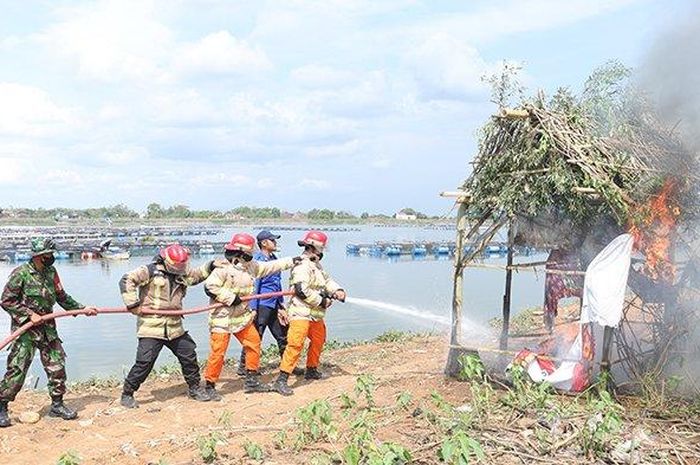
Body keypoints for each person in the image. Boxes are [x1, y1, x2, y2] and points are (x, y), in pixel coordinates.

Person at [0, 238, 98, 427]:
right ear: (38, 256)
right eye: (48, 255)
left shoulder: (51, 272)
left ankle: (57, 405)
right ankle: (2, 406)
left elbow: (62, 297)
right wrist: (30, 314)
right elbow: (6, 301)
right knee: (17, 370)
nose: (51, 257)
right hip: (26, 331)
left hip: (48, 329)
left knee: (57, 366)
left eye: (51, 254)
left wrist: (82, 309)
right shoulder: (21, 274)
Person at [118, 244, 218, 408]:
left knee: (188, 355)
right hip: (152, 326)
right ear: (165, 260)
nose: (179, 268)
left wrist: (212, 265)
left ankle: (194, 388)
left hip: (175, 326)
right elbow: (126, 280)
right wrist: (132, 304)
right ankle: (127, 393)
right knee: (145, 362)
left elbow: (197, 276)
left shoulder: (182, 273)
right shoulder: (149, 271)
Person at [203, 233, 297, 399]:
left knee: (254, 343)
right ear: (240, 252)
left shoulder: (251, 266)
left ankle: (251, 380)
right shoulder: (223, 268)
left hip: (241, 318)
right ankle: (210, 386)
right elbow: (210, 287)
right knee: (218, 352)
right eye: (249, 251)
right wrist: (231, 298)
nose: (252, 253)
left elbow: (270, 267)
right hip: (222, 318)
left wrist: (292, 261)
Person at [273, 231, 346, 396]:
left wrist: (338, 290)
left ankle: (311, 369)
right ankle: (282, 379)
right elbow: (301, 290)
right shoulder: (302, 265)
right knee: (295, 344)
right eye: (322, 249)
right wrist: (322, 301)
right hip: (301, 313)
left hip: (315, 315)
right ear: (315, 247)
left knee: (319, 340)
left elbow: (326, 281)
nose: (322, 253)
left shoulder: (316, 265)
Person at [238, 230, 302, 376]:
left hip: (273, 303)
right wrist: (253, 308)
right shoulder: (257, 260)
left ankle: (288, 364)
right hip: (262, 304)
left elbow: (277, 284)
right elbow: (254, 286)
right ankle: (244, 366)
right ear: (264, 243)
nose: (275, 242)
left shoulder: (273, 258)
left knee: (282, 334)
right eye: (273, 240)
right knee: (256, 335)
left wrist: (281, 305)